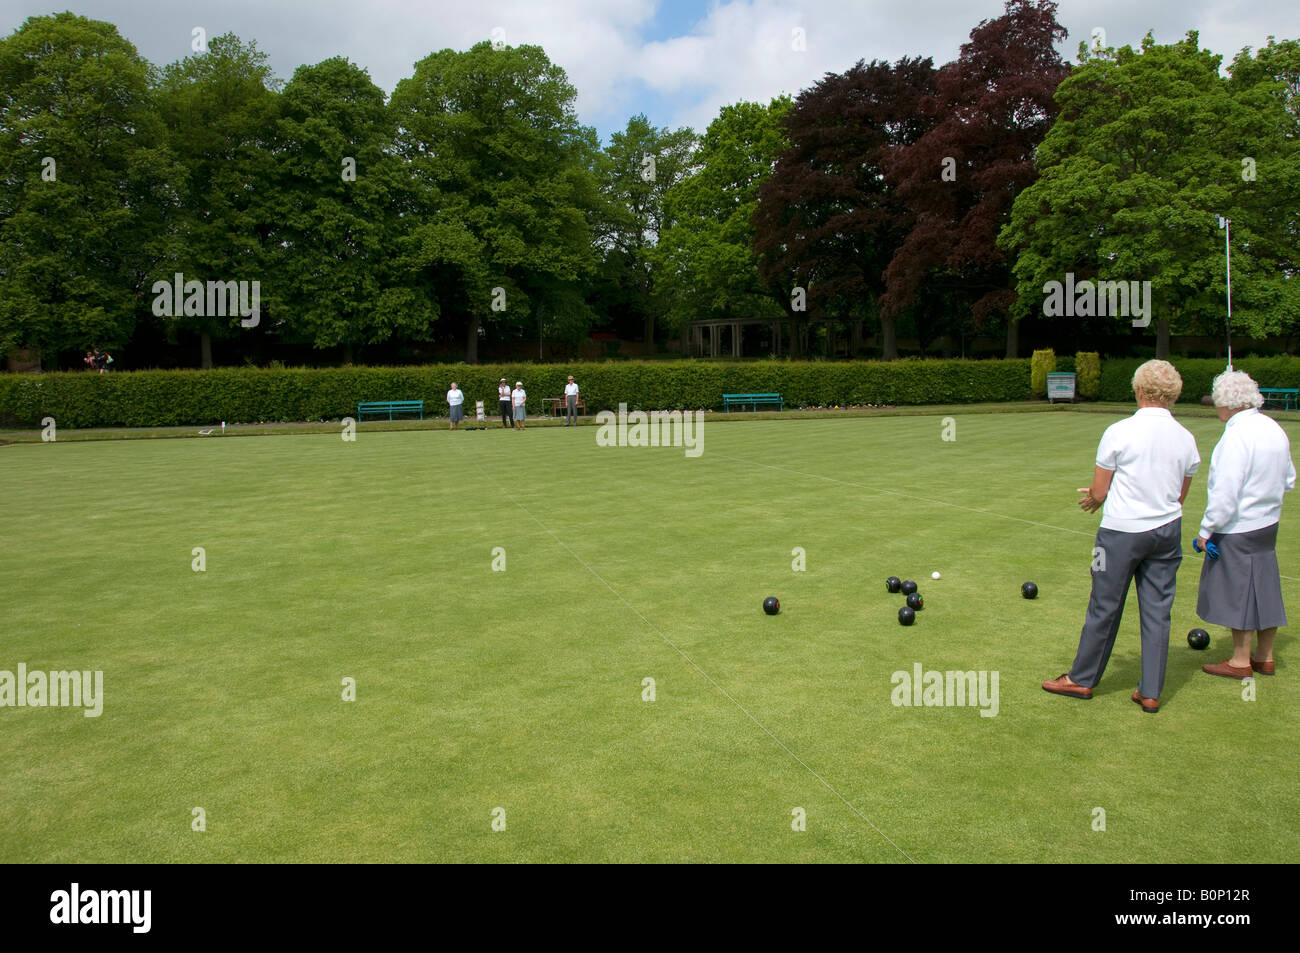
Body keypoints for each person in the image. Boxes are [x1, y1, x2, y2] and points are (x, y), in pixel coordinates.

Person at [1042, 359, 1200, 714]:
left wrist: (1095, 498)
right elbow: (1179, 495)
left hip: (1120, 533)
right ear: (1172, 395)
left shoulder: (1119, 431)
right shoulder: (1187, 439)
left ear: (1139, 391)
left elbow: (1099, 490)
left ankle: (1082, 679)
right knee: (1158, 611)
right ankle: (1150, 691)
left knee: (1104, 603)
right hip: (1167, 532)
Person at [1194, 370, 1296, 679]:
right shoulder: (1273, 427)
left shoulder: (1236, 435)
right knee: (1264, 584)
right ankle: (1264, 657)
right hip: (1268, 523)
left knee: (1238, 589)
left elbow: (1226, 492)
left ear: (1228, 403)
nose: (1216, 410)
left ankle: (1240, 661)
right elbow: (1289, 479)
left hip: (1239, 525)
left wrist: (1205, 530)